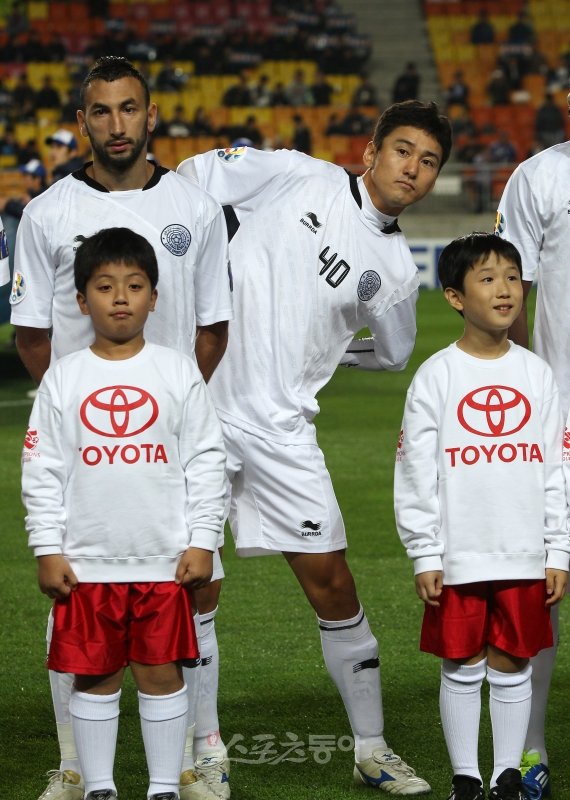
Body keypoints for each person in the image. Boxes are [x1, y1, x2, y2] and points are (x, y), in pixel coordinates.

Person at [177, 99, 453, 796]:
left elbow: (391, 354)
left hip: (284, 431)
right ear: (371, 152)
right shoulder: (298, 174)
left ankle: (372, 748)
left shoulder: (395, 269)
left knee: (333, 583)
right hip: (204, 414)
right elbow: (195, 174)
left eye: (428, 162)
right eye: (403, 151)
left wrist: (327, 353)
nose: (412, 169)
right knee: (196, 586)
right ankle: (205, 749)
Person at [9, 55, 232, 800]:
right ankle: (77, 766)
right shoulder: (47, 213)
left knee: (191, 602)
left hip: (168, 455)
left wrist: (170, 410)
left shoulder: (195, 209)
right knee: (75, 602)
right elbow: (32, 334)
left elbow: (212, 327)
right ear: (82, 121)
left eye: (128, 108)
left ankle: (200, 754)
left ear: (150, 114)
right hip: (88, 459)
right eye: (100, 111)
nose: (116, 124)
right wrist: (82, 406)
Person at [394, 232, 569, 800]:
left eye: (512, 278)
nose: (504, 290)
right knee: (461, 661)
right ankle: (466, 779)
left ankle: (506, 777)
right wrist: (425, 551)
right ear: (454, 296)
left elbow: (557, 468)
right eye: (488, 279)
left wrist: (559, 549)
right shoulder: (437, 375)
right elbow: (415, 473)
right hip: (459, 551)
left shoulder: (537, 374)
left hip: (524, 550)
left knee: (513, 660)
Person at [494, 89, 570, 799]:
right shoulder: (541, 176)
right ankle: (530, 746)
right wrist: (526, 388)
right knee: (541, 583)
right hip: (561, 417)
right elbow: (510, 289)